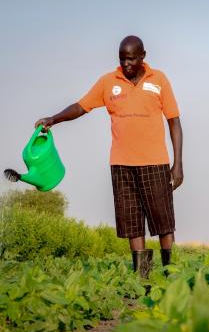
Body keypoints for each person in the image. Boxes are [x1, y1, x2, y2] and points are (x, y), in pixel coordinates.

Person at [35, 35, 183, 276]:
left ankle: (172, 274)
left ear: (143, 57)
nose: (126, 64)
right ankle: (142, 279)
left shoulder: (159, 79)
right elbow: (81, 106)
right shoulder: (108, 81)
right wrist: (54, 119)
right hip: (121, 165)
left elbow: (174, 122)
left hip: (156, 163)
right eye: (122, 59)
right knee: (133, 225)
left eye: (132, 59)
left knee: (164, 223)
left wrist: (178, 165)